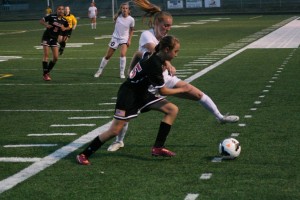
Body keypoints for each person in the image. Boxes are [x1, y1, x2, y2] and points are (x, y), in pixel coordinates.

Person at [107, 0, 239, 152]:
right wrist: (168, 63)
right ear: (156, 23)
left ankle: (220, 117)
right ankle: (119, 141)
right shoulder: (146, 35)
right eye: (165, 25)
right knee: (127, 115)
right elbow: (153, 50)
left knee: (194, 92)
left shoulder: (165, 39)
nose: (168, 28)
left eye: (170, 26)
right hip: (147, 82)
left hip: (164, 78)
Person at [76, 36, 190, 165]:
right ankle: (84, 154)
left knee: (172, 110)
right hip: (128, 96)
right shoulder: (155, 64)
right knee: (114, 130)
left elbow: (138, 54)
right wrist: (182, 89)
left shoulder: (153, 55)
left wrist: (131, 71)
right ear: (166, 49)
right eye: (176, 51)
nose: (177, 55)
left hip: (142, 93)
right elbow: (163, 91)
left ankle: (158, 148)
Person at [94, 2, 135, 79]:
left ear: (129, 10)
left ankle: (121, 73)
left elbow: (132, 30)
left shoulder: (131, 19)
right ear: (121, 9)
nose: (125, 10)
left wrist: (129, 40)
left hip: (124, 39)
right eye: (123, 8)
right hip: (115, 38)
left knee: (123, 54)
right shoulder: (117, 17)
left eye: (126, 8)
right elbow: (115, 20)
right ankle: (99, 71)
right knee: (107, 56)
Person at [39, 5, 70, 81]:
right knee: (46, 55)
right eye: (59, 9)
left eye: (62, 9)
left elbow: (68, 27)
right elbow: (41, 20)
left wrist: (64, 28)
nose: (61, 10)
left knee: (56, 58)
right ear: (57, 10)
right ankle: (45, 74)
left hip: (54, 39)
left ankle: (47, 71)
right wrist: (46, 25)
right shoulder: (52, 16)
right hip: (46, 37)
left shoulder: (64, 20)